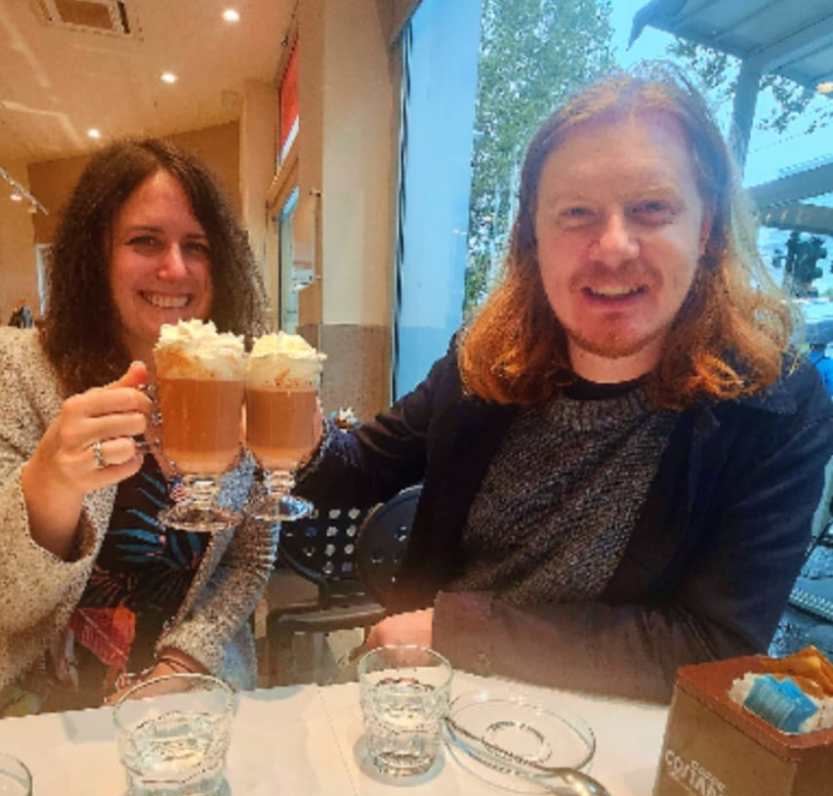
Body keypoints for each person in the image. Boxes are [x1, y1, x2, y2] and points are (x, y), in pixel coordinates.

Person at [297, 66, 833, 703]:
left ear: (706, 227)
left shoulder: (774, 406)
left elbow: (709, 643)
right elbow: (356, 468)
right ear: (534, 236)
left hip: (614, 739)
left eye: (651, 209)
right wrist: (291, 438)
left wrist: (459, 630)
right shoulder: (483, 362)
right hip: (425, 704)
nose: (612, 247)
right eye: (576, 213)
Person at [0, 138, 276, 719]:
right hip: (41, 707)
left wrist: (185, 662)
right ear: (94, 255)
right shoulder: (5, 370)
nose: (175, 268)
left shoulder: (240, 374)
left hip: (192, 699)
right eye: (145, 241)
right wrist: (51, 482)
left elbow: (250, 561)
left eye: (198, 246)